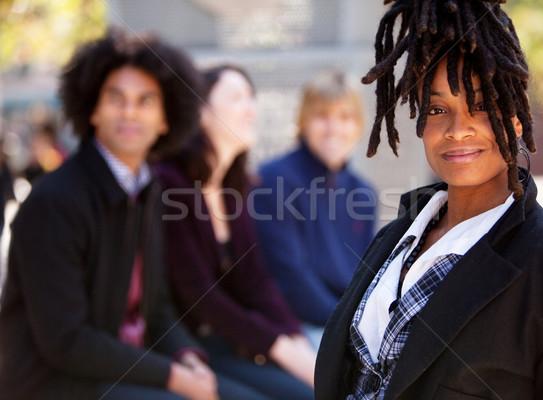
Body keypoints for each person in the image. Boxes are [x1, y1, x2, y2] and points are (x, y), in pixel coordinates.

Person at [315, 1, 543, 399]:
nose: (457, 129)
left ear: (516, 117)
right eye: (437, 108)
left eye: (481, 106)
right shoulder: (395, 240)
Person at [0, 28, 220, 400]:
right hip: (54, 383)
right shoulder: (53, 202)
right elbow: (66, 341)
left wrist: (188, 357)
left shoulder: (148, 191)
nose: (130, 111)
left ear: (166, 119)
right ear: (93, 111)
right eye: (116, 98)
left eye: (145, 100)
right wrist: (174, 377)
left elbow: (156, 305)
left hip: (122, 368)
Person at [153, 64, 316, 400]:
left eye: (252, 98)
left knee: (308, 388)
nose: (252, 108)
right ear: (202, 112)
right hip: (180, 348)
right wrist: (280, 347)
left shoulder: (232, 190)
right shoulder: (170, 184)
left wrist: (295, 336)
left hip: (224, 343)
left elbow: (255, 282)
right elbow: (199, 297)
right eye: (238, 97)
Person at [253, 69, 376, 349]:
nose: (334, 128)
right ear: (303, 122)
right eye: (322, 116)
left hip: (345, 322)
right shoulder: (274, 180)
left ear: (358, 125)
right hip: (295, 326)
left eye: (345, 117)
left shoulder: (364, 193)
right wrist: (346, 329)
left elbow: (366, 276)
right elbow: (289, 276)